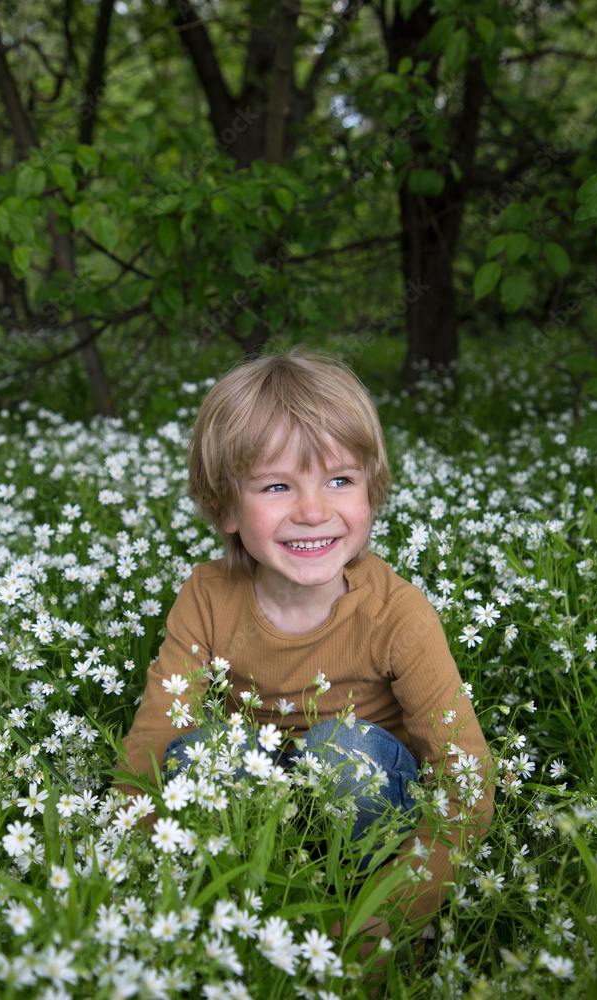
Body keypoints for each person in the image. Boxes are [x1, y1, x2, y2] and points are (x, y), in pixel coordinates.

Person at [116, 348, 494, 933]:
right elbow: (156, 733)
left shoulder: (398, 612)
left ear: (373, 492)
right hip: (256, 801)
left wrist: (399, 910)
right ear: (225, 509)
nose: (313, 510)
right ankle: (234, 907)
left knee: (341, 750)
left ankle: (361, 894)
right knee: (198, 756)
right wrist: (124, 859)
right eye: (276, 487)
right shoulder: (208, 594)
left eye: (340, 479)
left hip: (367, 808)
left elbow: (464, 774)